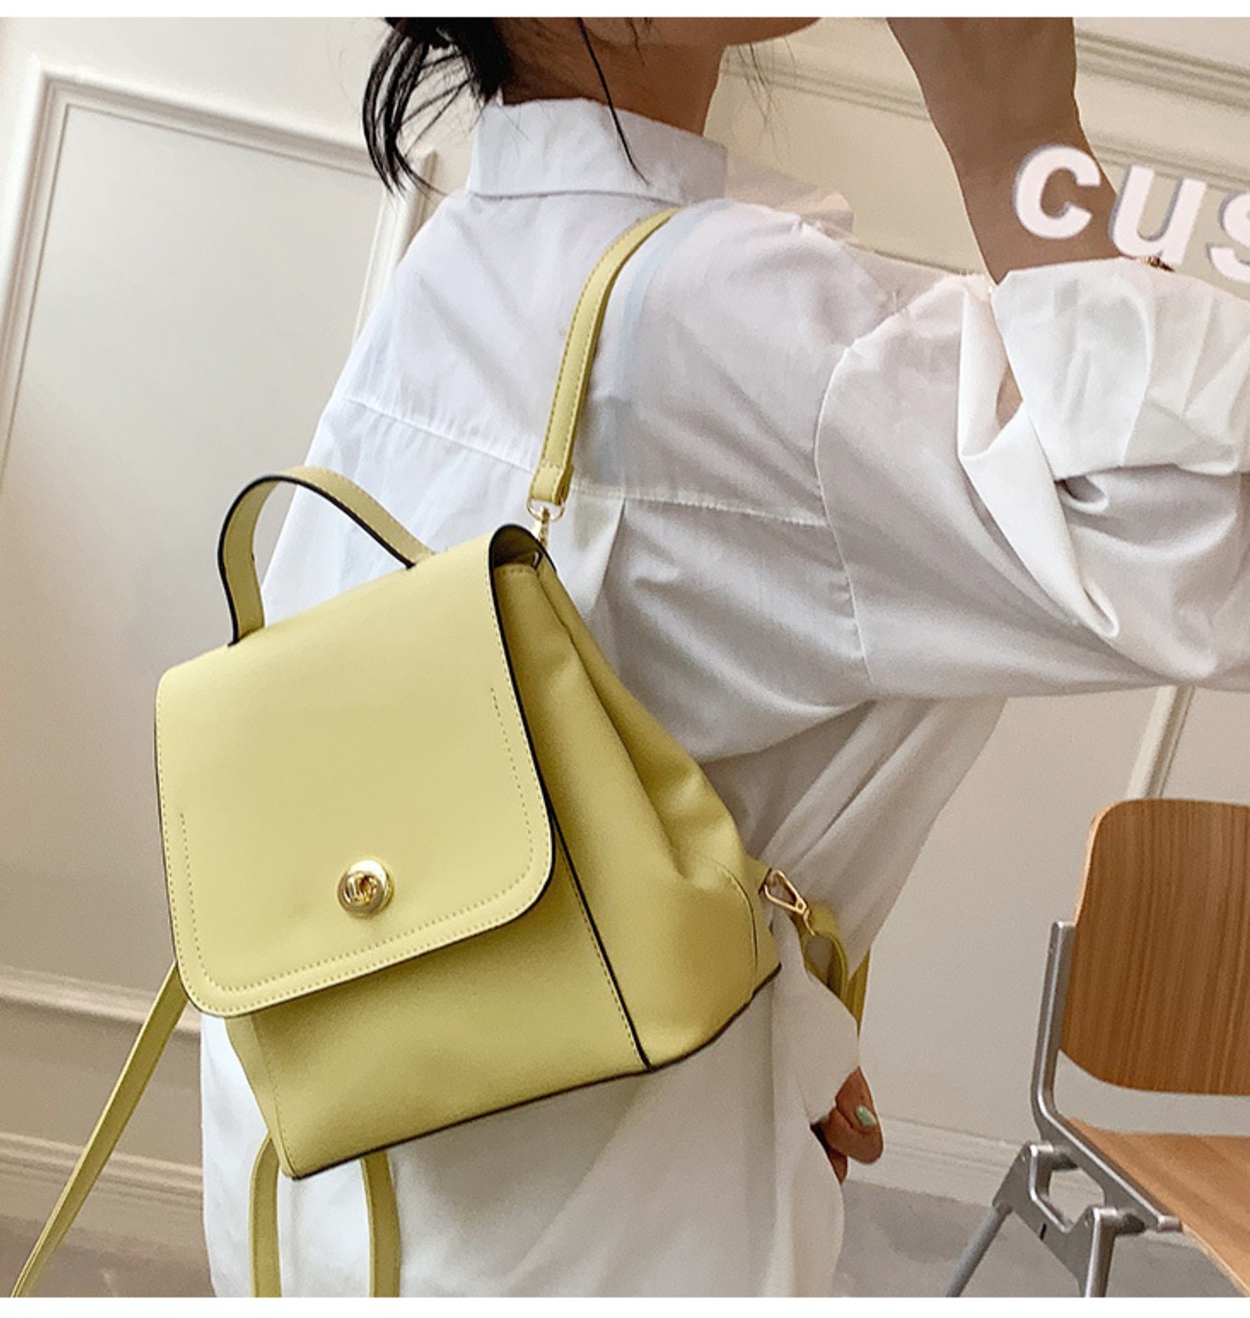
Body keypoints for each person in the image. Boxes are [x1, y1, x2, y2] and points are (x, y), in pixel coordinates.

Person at [198, 18, 1250, 1296]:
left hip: (342, 1170)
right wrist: (1019, 142)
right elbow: (1205, 541)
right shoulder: (718, 314)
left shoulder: (475, 251)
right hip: (591, 1229)